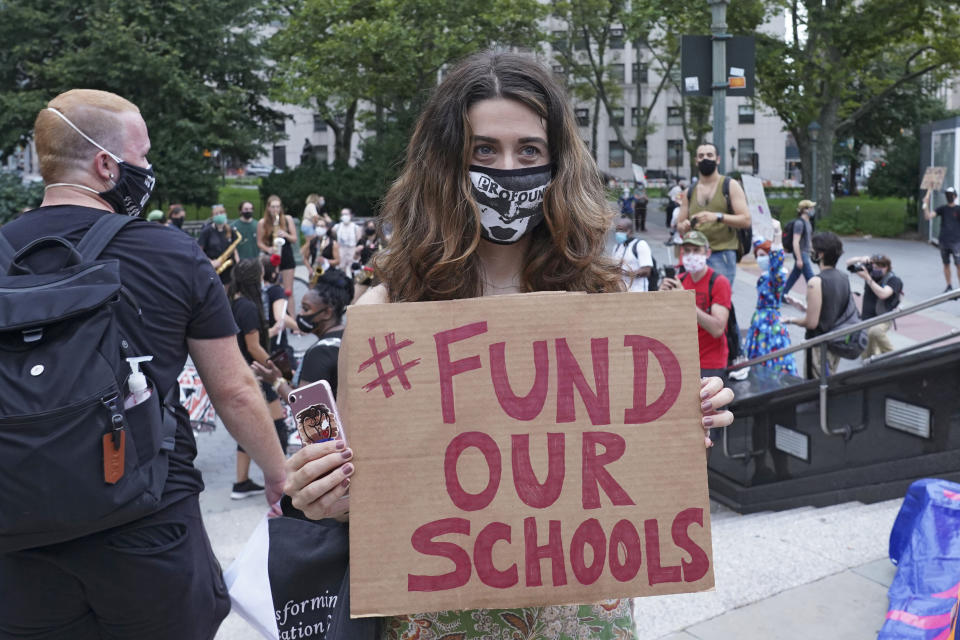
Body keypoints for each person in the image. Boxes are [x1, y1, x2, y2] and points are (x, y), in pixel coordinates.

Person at [282, 51, 735, 640]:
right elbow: (369, 495)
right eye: (483, 151)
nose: (508, 168)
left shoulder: (605, 305)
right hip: (444, 619)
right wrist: (323, 493)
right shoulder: (386, 318)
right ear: (447, 163)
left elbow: (623, 471)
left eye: (529, 151)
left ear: (557, 164)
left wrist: (677, 423)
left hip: (579, 616)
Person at [0, 88, 285, 639]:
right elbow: (234, 391)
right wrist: (278, 476)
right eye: (143, 154)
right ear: (107, 165)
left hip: (18, 536)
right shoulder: (170, 252)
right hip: (147, 523)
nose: (147, 168)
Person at [228, 258, 290, 498]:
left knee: (248, 429)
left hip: (241, 371)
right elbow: (254, 346)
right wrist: (274, 369)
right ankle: (281, 483)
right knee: (277, 426)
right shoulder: (249, 308)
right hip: (257, 374)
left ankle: (241, 483)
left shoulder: (233, 302)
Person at [254, 268, 353, 402]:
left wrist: (277, 382)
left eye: (306, 309)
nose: (300, 314)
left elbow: (305, 409)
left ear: (327, 313)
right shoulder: (346, 336)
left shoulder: (320, 353)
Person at [675, 143, 752, 286]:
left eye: (709, 155)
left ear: (718, 159)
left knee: (720, 302)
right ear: (696, 161)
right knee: (694, 301)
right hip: (695, 255)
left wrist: (718, 217)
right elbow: (679, 225)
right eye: (701, 156)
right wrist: (683, 226)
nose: (705, 159)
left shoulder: (730, 185)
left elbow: (746, 220)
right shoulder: (689, 192)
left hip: (722, 254)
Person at [659, 230, 732, 380]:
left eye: (696, 250)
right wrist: (660, 297)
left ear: (708, 253)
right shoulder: (679, 280)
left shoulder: (719, 282)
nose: (691, 255)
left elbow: (717, 329)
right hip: (680, 360)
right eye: (687, 251)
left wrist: (685, 300)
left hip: (710, 364)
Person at [784, 231, 848, 378]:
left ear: (821, 254)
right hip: (835, 343)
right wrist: (805, 308)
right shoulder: (843, 278)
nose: (810, 252)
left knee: (816, 386)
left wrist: (790, 320)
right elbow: (832, 309)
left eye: (812, 250)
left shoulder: (815, 282)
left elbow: (812, 323)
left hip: (819, 345)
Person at [743, 221, 798, 375]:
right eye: (758, 255)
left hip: (770, 321)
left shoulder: (777, 275)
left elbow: (776, 260)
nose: (760, 258)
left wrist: (778, 235)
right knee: (758, 353)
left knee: (771, 355)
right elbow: (759, 244)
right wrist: (755, 230)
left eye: (763, 255)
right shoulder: (765, 276)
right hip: (760, 319)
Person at [845, 253, 902, 358]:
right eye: (875, 267)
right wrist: (860, 258)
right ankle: (876, 354)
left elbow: (883, 294)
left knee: (875, 331)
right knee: (866, 354)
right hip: (866, 319)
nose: (877, 270)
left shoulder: (894, 280)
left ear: (888, 267)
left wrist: (868, 279)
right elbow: (848, 264)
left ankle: (894, 356)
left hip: (883, 318)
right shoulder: (870, 273)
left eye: (881, 267)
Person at [258, 194, 297, 299]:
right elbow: (259, 243)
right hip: (271, 257)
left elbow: (294, 239)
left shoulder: (288, 219)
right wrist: (268, 249)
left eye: (278, 207)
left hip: (286, 255)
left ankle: (291, 314)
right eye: (273, 207)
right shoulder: (262, 222)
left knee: (288, 291)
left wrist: (285, 234)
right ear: (268, 208)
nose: (276, 209)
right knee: (273, 288)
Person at [922, 186, 960, 292]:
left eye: (950, 195)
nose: (949, 197)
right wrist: (926, 204)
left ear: (955, 196)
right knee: (946, 264)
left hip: (956, 242)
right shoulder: (943, 209)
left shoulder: (958, 209)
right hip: (944, 241)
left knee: (958, 264)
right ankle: (949, 286)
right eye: (947, 195)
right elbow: (928, 216)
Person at [782, 199, 816, 299]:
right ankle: (817, 297)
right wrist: (799, 259)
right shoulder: (799, 223)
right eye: (811, 208)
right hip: (801, 254)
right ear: (805, 210)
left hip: (805, 253)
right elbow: (795, 241)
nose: (813, 210)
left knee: (795, 275)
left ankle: (783, 294)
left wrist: (812, 250)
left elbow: (808, 239)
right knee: (811, 278)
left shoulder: (808, 222)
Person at [198, 203, 237, 286]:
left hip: (228, 270)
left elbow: (234, 249)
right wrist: (211, 262)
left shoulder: (230, 230)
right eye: (216, 213)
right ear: (212, 216)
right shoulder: (206, 231)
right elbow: (198, 251)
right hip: (212, 268)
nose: (219, 215)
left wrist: (238, 263)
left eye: (222, 213)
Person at [612, 215, 653, 292]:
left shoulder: (640, 245)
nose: (617, 233)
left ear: (629, 231)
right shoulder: (616, 247)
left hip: (638, 291)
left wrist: (625, 273)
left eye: (620, 230)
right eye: (616, 230)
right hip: (620, 291)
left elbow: (646, 271)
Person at [353, 219, 382, 301]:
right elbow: (355, 258)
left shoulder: (381, 242)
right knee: (354, 296)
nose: (369, 229)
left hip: (377, 273)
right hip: (365, 270)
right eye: (368, 227)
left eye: (371, 227)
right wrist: (356, 251)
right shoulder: (362, 241)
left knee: (375, 298)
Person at [333, 208, 360, 274]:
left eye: (346, 214)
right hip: (341, 248)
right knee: (341, 267)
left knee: (352, 268)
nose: (344, 216)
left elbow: (359, 238)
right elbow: (333, 236)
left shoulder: (355, 227)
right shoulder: (337, 226)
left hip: (352, 249)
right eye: (342, 214)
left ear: (350, 215)